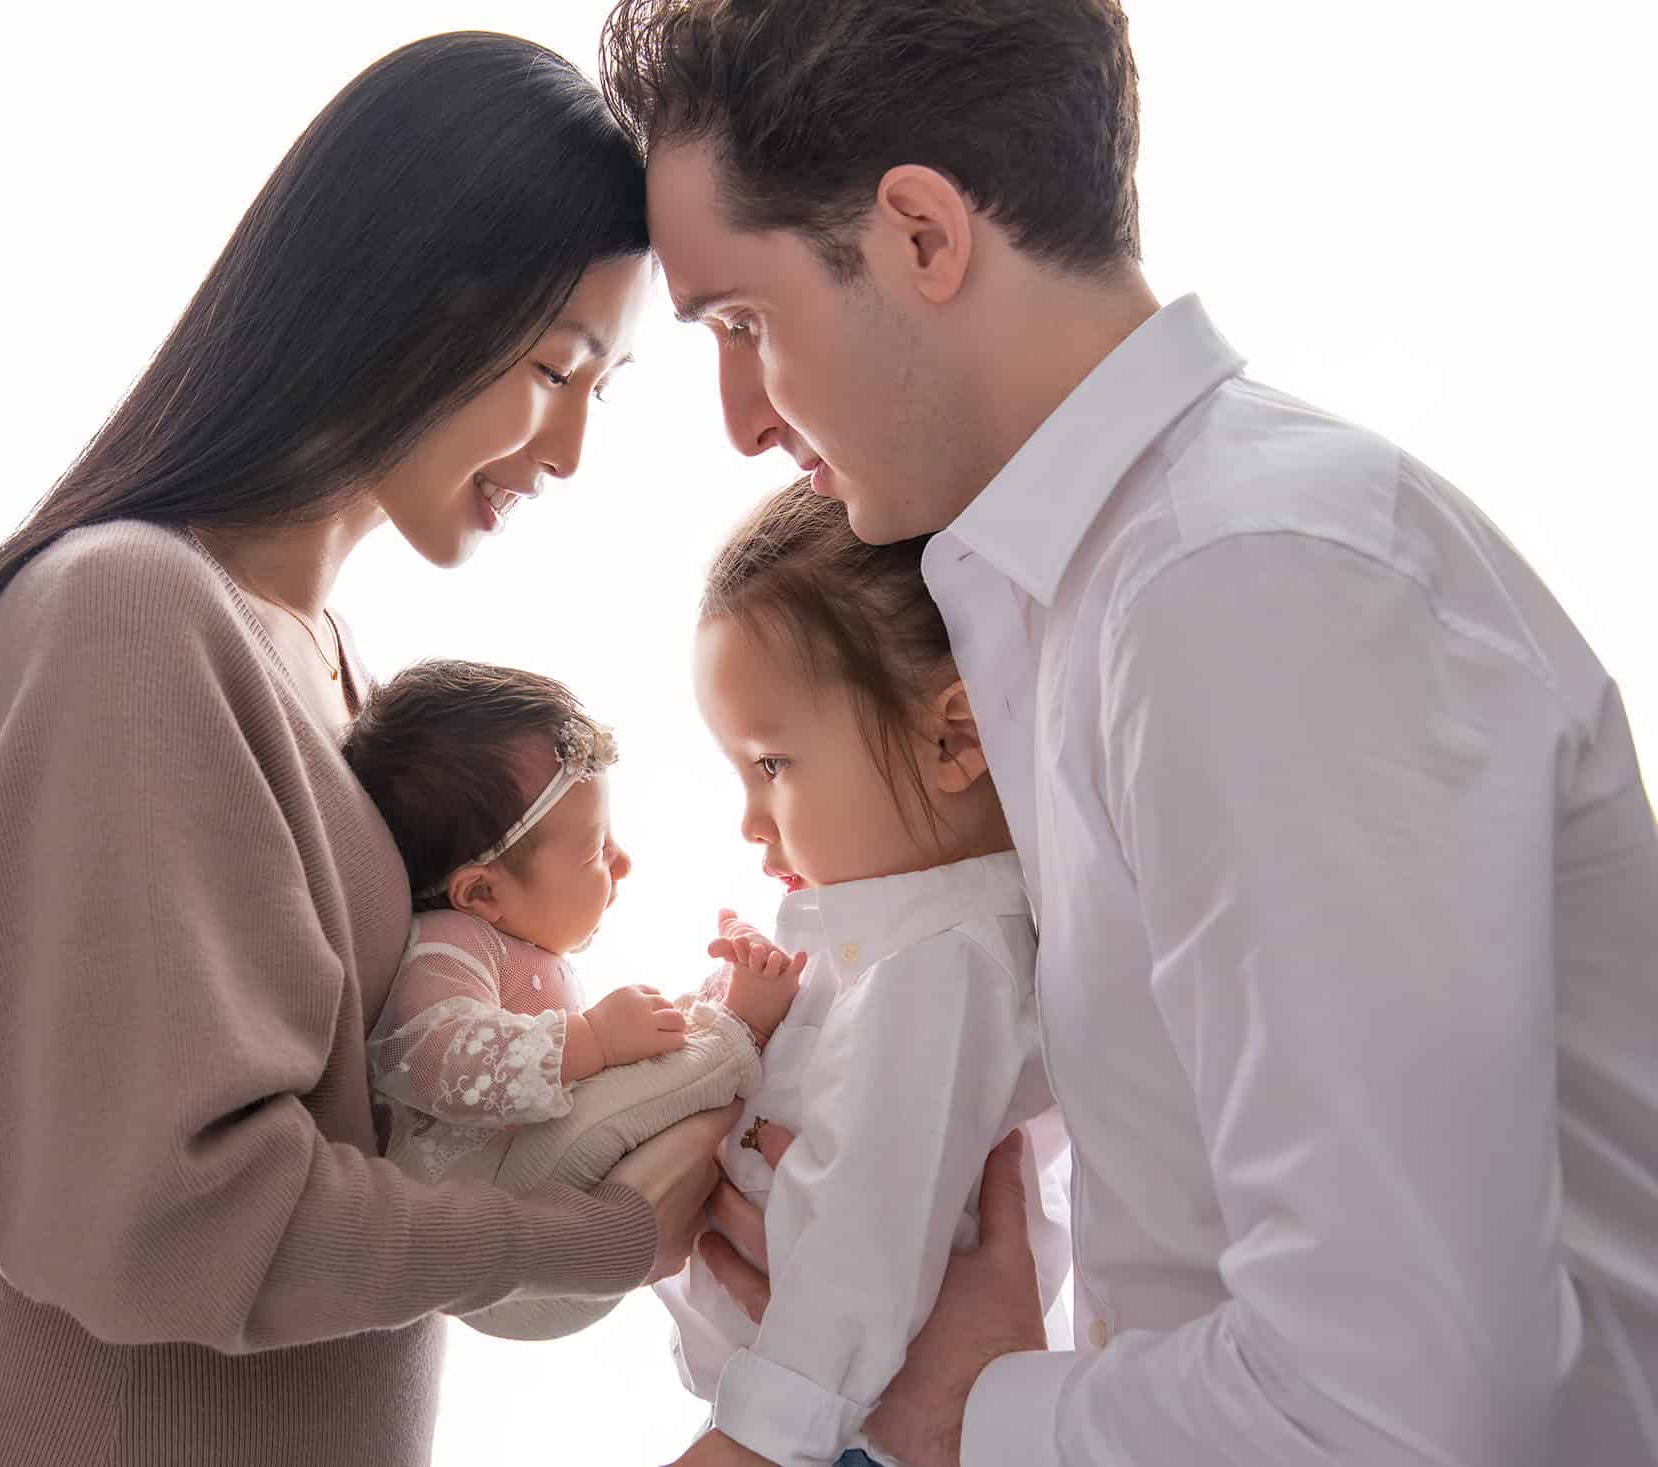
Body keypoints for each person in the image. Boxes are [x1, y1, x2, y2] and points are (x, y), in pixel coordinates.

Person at [599, 2, 1658, 1464]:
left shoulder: (1242, 583)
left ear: (920, 235)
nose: (737, 419)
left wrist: (962, 1416)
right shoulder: (1082, 603)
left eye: (743, 322)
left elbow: (1402, 1409)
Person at [0, 32, 732, 1467]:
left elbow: (381, 1124)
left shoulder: (335, 665)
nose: (572, 450)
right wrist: (590, 1234)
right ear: (412, 303)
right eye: (554, 367)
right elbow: (179, 1210)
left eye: (607, 387)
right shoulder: (129, 614)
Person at [659, 482, 1072, 1467]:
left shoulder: (941, 962)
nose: (751, 822)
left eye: (770, 765)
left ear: (952, 738)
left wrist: (748, 1443)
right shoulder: (890, 950)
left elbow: (865, 1241)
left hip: (832, 1432)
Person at [343, 658, 800, 1183]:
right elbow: (427, 1057)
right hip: (486, 1190)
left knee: (646, 1064)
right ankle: (737, 1026)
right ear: (482, 891)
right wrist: (592, 1040)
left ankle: (715, 1007)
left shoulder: (512, 946)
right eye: (595, 852)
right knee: (637, 1087)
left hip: (528, 1168)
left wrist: (617, 1036)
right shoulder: (453, 940)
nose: (622, 862)